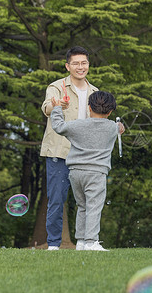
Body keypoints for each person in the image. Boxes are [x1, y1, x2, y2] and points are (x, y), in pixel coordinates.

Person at [40, 46, 98, 250]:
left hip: (86, 154)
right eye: (76, 63)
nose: (80, 67)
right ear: (68, 66)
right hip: (59, 152)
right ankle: (54, 245)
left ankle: (85, 241)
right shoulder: (56, 87)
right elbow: (47, 107)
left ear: (88, 65)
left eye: (84, 63)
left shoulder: (94, 92)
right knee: (56, 200)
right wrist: (57, 105)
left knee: (88, 200)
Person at [51, 91, 124, 251]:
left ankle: (82, 242)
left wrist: (57, 108)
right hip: (96, 173)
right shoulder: (112, 127)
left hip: (75, 172)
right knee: (94, 206)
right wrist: (120, 127)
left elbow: (58, 126)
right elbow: (119, 128)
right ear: (110, 111)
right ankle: (91, 242)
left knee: (82, 206)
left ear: (89, 107)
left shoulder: (77, 125)